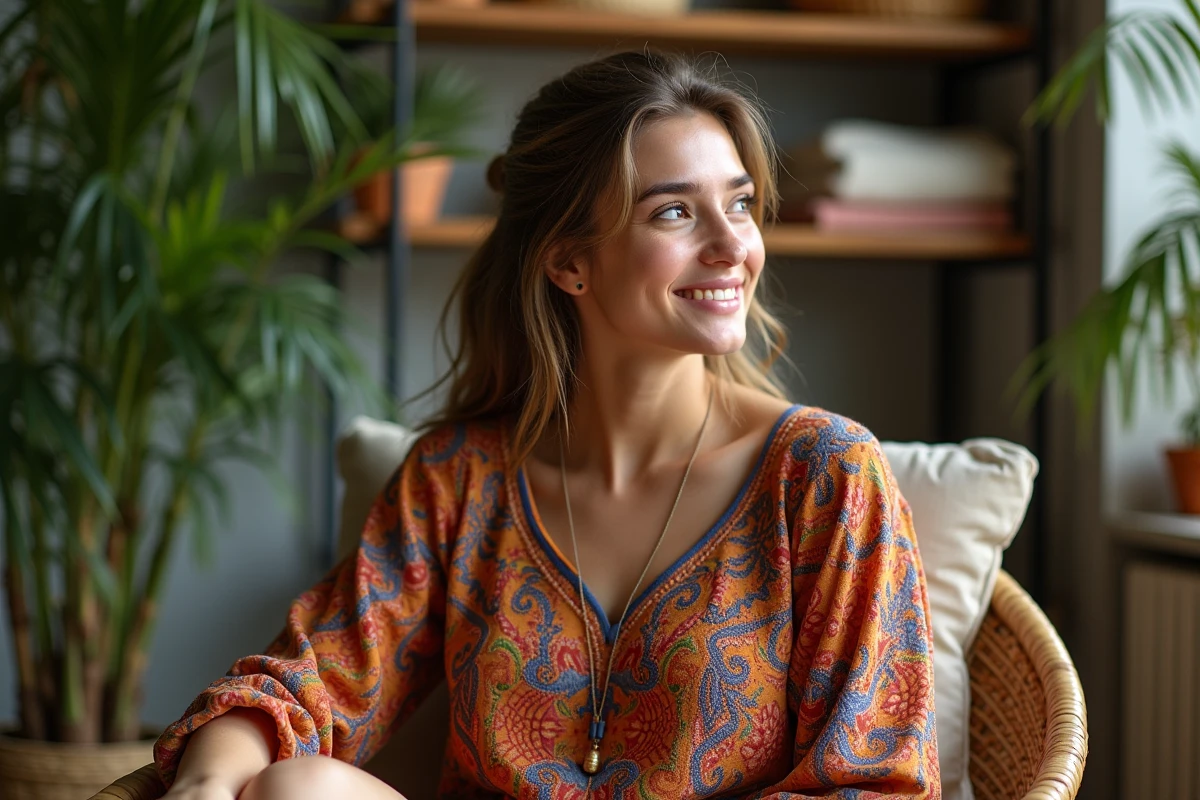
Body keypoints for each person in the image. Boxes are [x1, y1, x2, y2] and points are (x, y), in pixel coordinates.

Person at [154, 49, 940, 800]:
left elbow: (875, 778)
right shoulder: (459, 480)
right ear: (570, 263)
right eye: (675, 212)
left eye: (739, 204)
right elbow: (308, 677)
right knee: (294, 783)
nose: (733, 245)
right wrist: (204, 781)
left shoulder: (823, 476)